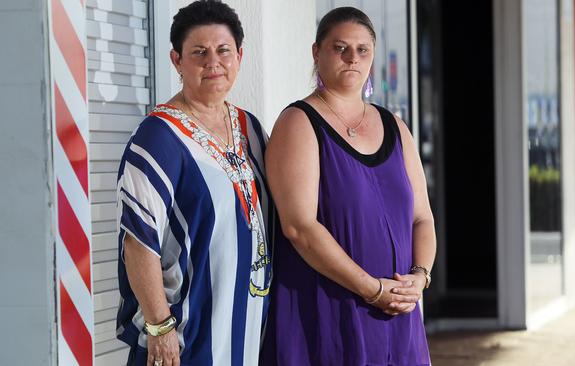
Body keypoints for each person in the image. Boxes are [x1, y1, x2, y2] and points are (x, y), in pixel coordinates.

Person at [261, 6, 436, 366]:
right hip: (329, 313)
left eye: (362, 50)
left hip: (398, 314)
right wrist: (372, 289)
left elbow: (422, 218)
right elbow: (299, 227)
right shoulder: (299, 123)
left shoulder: (395, 127)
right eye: (340, 48)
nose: (352, 58)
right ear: (316, 52)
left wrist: (420, 278)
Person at [115, 2, 272, 365]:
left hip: (245, 325)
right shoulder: (158, 138)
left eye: (223, 51)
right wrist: (159, 327)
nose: (213, 63)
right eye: (199, 52)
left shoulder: (249, 129)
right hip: (187, 331)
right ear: (176, 60)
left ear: (240, 56)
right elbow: (138, 243)